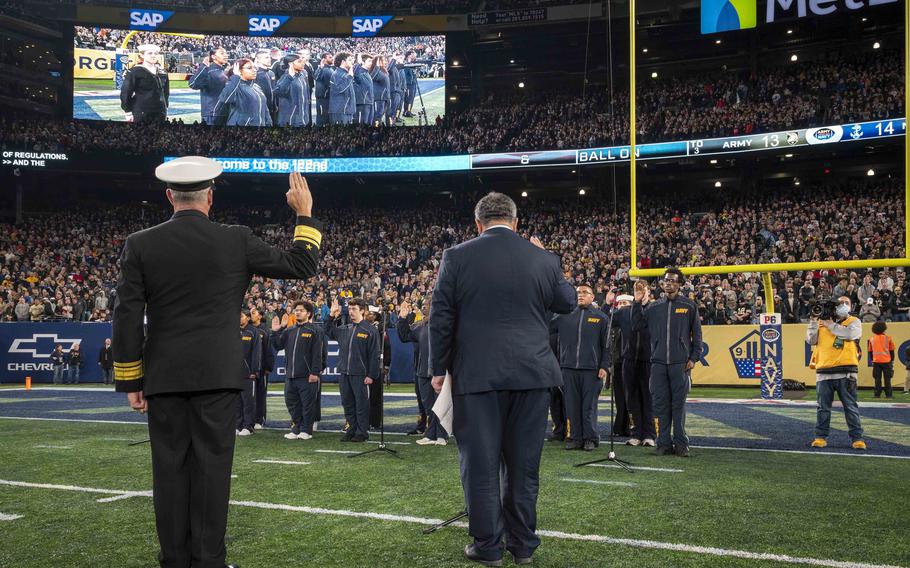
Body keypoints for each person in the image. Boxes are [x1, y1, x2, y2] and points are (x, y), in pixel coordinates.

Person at [112, 156, 322, 568]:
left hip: (163, 376)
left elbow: (126, 314)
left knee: (169, 473)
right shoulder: (236, 239)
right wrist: (305, 213)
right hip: (218, 376)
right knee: (211, 472)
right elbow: (302, 265)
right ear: (210, 197)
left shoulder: (139, 243)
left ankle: (173, 560)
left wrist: (130, 379)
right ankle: (209, 560)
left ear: (170, 196)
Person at [430, 192, 575, 566]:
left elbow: (441, 317)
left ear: (477, 224)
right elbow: (568, 302)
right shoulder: (543, 258)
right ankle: (523, 545)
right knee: (524, 466)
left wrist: (437, 368)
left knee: (480, 465)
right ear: (516, 222)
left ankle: (488, 547)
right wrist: (549, 262)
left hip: (477, 375)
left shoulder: (457, 256)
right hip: (532, 375)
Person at [632, 268, 703, 458]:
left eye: (672, 281)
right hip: (658, 364)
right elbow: (637, 325)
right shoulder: (654, 307)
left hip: (680, 364)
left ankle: (681, 444)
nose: (668, 283)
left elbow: (697, 336)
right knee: (661, 405)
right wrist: (637, 303)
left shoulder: (689, 306)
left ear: (679, 284)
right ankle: (663, 443)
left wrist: (693, 358)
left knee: (678, 405)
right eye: (666, 281)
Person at [549, 284, 610, 451]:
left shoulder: (601, 318)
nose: (581, 295)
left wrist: (604, 365)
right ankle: (575, 437)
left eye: (585, 292)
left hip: (591, 370)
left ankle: (591, 438)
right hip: (567, 369)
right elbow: (545, 328)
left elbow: (606, 346)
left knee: (588, 406)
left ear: (593, 297)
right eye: (578, 292)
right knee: (572, 406)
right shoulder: (563, 316)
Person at [807, 296, 866, 450]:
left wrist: (830, 325)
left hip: (846, 372)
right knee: (822, 408)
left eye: (847, 302)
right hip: (824, 372)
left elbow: (850, 335)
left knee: (850, 407)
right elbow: (811, 340)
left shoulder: (854, 321)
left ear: (852, 305)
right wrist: (813, 321)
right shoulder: (821, 322)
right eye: (841, 303)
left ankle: (857, 438)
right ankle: (820, 437)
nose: (844, 305)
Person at [326, 297, 380, 442]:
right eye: (349, 309)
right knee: (347, 403)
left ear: (362, 311)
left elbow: (374, 355)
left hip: (360, 374)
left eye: (354, 309)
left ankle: (362, 432)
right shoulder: (345, 328)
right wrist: (331, 316)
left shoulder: (370, 330)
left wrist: (371, 375)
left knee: (361, 404)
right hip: (344, 373)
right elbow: (327, 331)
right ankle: (352, 429)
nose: (351, 312)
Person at [272, 300, 326, 440]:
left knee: (307, 405)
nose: (297, 312)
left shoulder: (315, 330)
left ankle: (306, 431)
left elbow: (318, 354)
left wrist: (315, 372)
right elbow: (278, 346)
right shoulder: (290, 330)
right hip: (290, 375)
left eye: (301, 310)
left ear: (308, 313)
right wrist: (275, 332)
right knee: (291, 403)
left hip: (307, 375)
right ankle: (296, 428)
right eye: (296, 310)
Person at [397, 298, 447, 446]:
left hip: (440, 372)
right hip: (423, 371)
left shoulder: (444, 326)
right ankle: (431, 434)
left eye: (426, 305)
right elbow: (404, 336)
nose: (423, 308)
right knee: (428, 406)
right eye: (423, 306)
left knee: (441, 405)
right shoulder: (420, 326)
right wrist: (402, 318)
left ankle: (442, 435)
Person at [612, 293, 656, 447]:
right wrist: (607, 304)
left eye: (642, 290)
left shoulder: (654, 308)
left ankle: (650, 434)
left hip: (648, 360)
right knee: (632, 399)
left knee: (648, 398)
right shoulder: (623, 313)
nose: (640, 293)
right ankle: (636, 433)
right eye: (637, 290)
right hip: (628, 360)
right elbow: (606, 320)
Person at [213, 59, 273, 127]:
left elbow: (265, 109)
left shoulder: (256, 87)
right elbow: (225, 99)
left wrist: (269, 122)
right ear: (239, 71)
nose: (254, 70)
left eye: (255, 68)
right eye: (249, 68)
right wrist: (236, 77)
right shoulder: (235, 87)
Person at [120, 44, 169, 123]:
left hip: (160, 111)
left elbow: (166, 93)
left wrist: (166, 108)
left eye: (155, 53)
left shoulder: (162, 72)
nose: (153, 56)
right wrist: (128, 112)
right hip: (141, 111)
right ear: (142, 55)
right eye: (150, 53)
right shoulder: (134, 71)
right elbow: (126, 92)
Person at [237, 309, 262, 436]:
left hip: (248, 373)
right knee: (237, 402)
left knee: (248, 402)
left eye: (241, 316)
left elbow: (256, 353)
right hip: (234, 373)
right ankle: (238, 425)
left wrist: (254, 370)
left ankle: (248, 426)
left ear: (247, 318)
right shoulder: (233, 331)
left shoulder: (253, 332)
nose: (239, 318)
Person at [188, 47, 229, 125]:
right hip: (212, 114)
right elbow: (192, 84)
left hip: (224, 112)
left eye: (226, 53)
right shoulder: (208, 70)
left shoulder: (223, 71)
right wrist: (203, 67)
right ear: (213, 56)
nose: (226, 55)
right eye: (222, 53)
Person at [249, 307, 273, 429]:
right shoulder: (247, 329)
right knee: (248, 395)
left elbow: (269, 350)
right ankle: (249, 418)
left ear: (260, 316)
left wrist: (268, 367)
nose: (250, 315)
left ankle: (260, 419)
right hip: (248, 369)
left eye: (253, 313)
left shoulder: (265, 330)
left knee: (260, 394)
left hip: (262, 369)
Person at [275, 51, 312, 127]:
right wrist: (289, 78)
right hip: (291, 120)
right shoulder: (285, 78)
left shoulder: (303, 75)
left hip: (303, 118)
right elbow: (278, 92)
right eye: (299, 61)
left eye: (302, 61)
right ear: (290, 64)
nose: (303, 63)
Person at [868, 321, 895, 399]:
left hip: (876, 362)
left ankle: (877, 394)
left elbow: (870, 352)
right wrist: (892, 361)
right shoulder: (888, 338)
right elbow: (892, 351)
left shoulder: (872, 339)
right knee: (887, 379)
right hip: (887, 362)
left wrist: (873, 360)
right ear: (884, 329)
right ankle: (889, 395)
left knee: (877, 379)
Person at [328, 52, 355, 125]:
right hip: (340, 111)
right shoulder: (337, 74)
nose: (352, 62)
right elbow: (340, 89)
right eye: (349, 60)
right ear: (343, 62)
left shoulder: (346, 73)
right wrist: (350, 77)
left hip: (346, 110)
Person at [253, 49, 276, 119]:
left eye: (269, 57)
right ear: (258, 60)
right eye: (266, 57)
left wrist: (274, 105)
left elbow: (273, 91)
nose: (269, 59)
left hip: (271, 108)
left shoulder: (271, 73)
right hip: (260, 109)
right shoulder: (255, 74)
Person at [352, 54, 375, 126]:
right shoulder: (360, 72)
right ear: (363, 62)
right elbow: (355, 74)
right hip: (362, 103)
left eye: (371, 61)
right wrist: (359, 63)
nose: (371, 63)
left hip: (369, 102)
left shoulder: (366, 72)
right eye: (369, 61)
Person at [313, 53, 334, 126]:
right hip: (323, 98)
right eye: (330, 57)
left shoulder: (329, 69)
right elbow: (316, 77)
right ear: (324, 59)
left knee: (325, 118)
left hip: (327, 98)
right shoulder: (325, 70)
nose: (332, 58)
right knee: (322, 119)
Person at [369, 55, 390, 127]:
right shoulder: (375, 71)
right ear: (378, 62)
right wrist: (376, 67)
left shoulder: (383, 70)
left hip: (385, 97)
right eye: (383, 60)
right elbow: (372, 78)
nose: (385, 61)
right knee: (378, 115)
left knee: (380, 114)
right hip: (379, 98)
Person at [402, 51, 418, 117]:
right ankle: (406, 112)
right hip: (409, 84)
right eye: (413, 54)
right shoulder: (406, 63)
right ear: (409, 55)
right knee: (408, 98)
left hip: (413, 83)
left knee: (412, 98)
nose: (414, 55)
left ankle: (409, 111)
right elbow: (405, 74)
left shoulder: (411, 63)